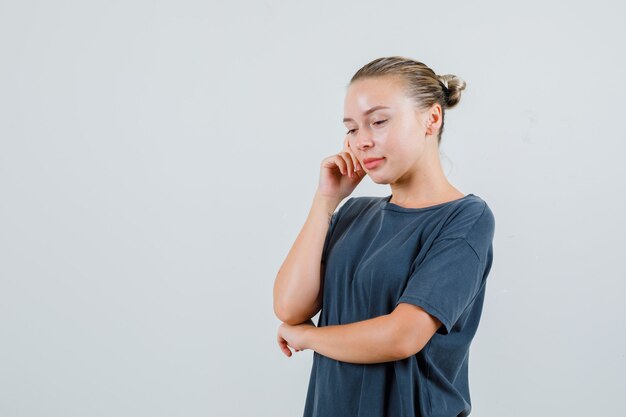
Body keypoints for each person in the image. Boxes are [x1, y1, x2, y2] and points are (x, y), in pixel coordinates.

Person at [273, 56, 495, 417]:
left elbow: (403, 335)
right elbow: (289, 307)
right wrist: (325, 201)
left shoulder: (465, 218)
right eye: (351, 128)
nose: (361, 141)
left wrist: (308, 338)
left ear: (432, 118)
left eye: (378, 122)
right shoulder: (354, 213)